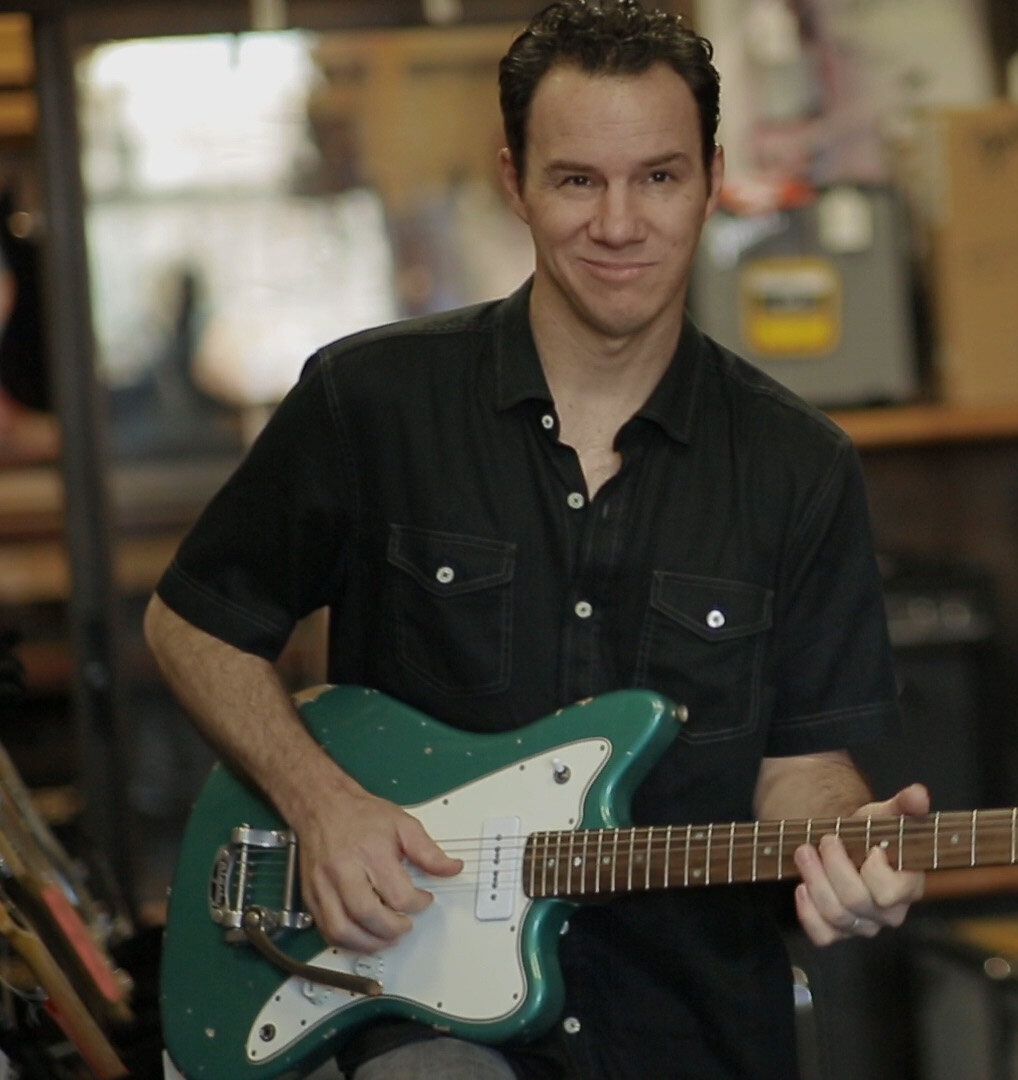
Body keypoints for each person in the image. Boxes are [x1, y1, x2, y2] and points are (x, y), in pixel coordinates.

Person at [142, 3, 927, 1077]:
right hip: (414, 1017)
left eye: (658, 177)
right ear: (514, 181)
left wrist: (846, 846)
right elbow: (193, 625)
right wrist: (320, 803)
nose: (619, 223)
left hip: (688, 1028)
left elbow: (804, 767)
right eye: (577, 180)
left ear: (712, 178)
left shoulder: (801, 466)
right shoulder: (371, 402)